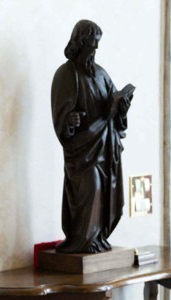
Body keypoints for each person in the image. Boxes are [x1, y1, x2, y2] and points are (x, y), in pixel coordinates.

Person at [51, 19, 134, 254]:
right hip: (83, 150)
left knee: (106, 193)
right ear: (80, 42)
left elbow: (113, 108)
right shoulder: (66, 74)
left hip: (105, 146)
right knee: (91, 188)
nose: (95, 49)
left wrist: (122, 106)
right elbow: (60, 115)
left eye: (98, 44)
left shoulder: (101, 74)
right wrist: (68, 121)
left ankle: (96, 239)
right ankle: (82, 241)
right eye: (91, 44)